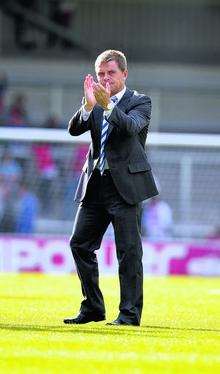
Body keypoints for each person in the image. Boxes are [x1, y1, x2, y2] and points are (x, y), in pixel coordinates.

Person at [64, 50, 158, 326]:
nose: (105, 78)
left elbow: (131, 128)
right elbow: (73, 129)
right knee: (79, 244)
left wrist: (108, 107)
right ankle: (93, 307)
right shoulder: (95, 101)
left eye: (111, 73)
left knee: (129, 251)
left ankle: (129, 314)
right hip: (95, 184)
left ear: (124, 74)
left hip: (125, 187)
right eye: (101, 74)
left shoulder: (140, 101)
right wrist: (89, 106)